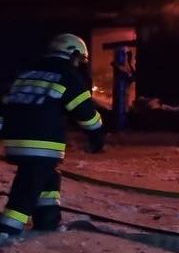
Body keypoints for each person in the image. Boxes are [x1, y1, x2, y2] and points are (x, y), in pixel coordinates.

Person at [0, 34, 105, 238]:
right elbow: (85, 112)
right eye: (79, 59)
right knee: (29, 184)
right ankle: (7, 230)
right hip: (42, 141)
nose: (79, 64)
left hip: (15, 139)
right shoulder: (67, 75)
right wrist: (97, 133)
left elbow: (6, 105)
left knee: (47, 177)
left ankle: (47, 219)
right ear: (72, 54)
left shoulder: (28, 72)